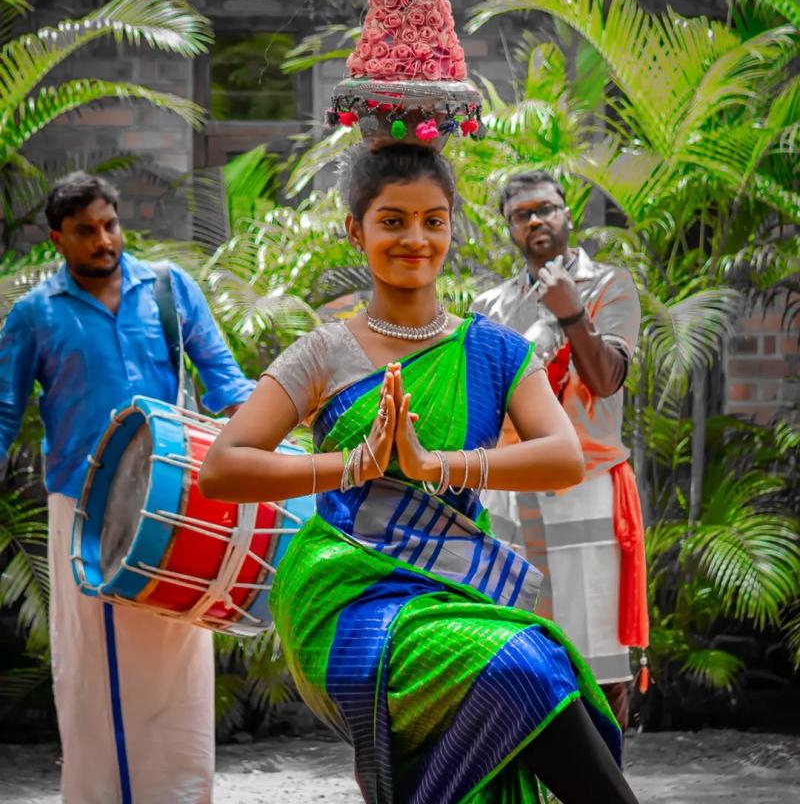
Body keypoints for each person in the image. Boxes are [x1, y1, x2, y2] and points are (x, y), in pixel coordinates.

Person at [200, 144, 640, 803]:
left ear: (453, 227)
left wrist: (436, 465)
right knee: (523, 664)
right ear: (357, 229)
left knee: (535, 672)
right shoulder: (324, 351)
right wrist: (351, 465)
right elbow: (222, 469)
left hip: (452, 587)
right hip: (346, 597)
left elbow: (562, 456)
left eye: (434, 221)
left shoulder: (491, 350)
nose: (416, 238)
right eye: (393, 220)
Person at [0, 171, 255, 803]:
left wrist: (278, 435)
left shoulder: (169, 290)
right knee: (90, 668)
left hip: (175, 506)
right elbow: (4, 412)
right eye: (85, 231)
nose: (103, 240)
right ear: (58, 239)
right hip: (80, 511)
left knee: (178, 668)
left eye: (109, 225)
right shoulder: (35, 315)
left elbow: (224, 380)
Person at [472, 169, 648, 731]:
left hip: (586, 487)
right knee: (513, 647)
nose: (536, 221)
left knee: (597, 653)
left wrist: (572, 311)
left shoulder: (609, 286)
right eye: (521, 215)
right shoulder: (491, 306)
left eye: (546, 209)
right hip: (507, 492)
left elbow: (606, 379)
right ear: (509, 230)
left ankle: (604, 781)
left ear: (568, 213)